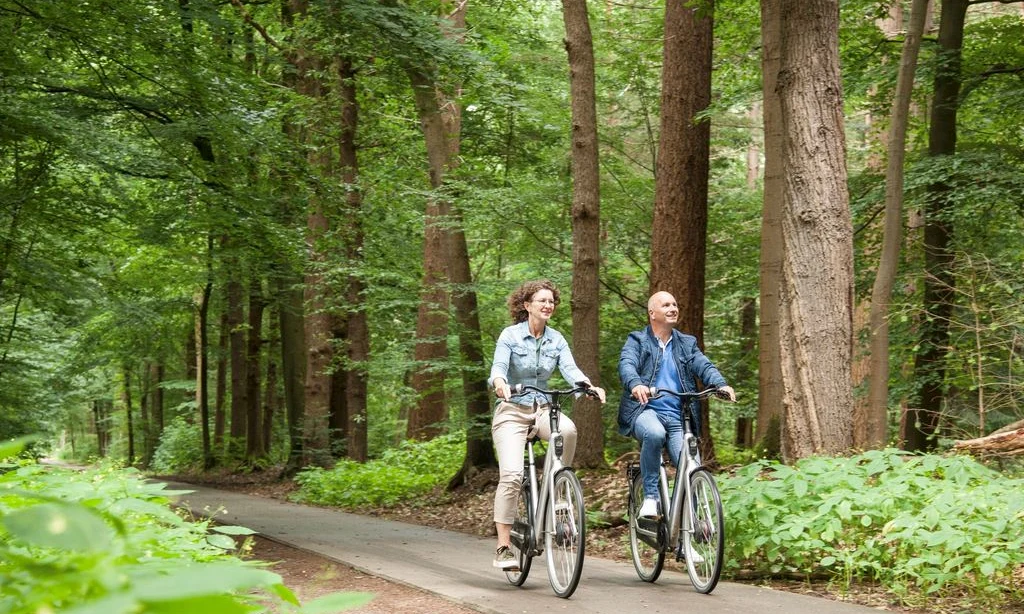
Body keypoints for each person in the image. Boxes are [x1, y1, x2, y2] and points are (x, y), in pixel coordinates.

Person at [488, 279, 606, 570]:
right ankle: (503, 547)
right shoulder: (510, 336)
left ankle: (557, 490)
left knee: (566, 430)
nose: (548, 305)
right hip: (512, 411)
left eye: (551, 301)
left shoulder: (557, 339)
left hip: (542, 409)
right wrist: (501, 383)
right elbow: (498, 368)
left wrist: (587, 386)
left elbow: (570, 369)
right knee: (513, 476)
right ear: (526, 305)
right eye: (541, 300)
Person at [617, 291, 735, 521]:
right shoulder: (638, 340)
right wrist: (636, 384)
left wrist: (720, 384)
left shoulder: (686, 343)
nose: (673, 308)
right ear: (652, 313)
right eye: (666, 305)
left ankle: (689, 534)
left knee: (692, 467)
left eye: (674, 304)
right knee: (654, 433)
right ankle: (651, 497)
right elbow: (627, 364)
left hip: (678, 416)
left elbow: (703, 365)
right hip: (645, 410)